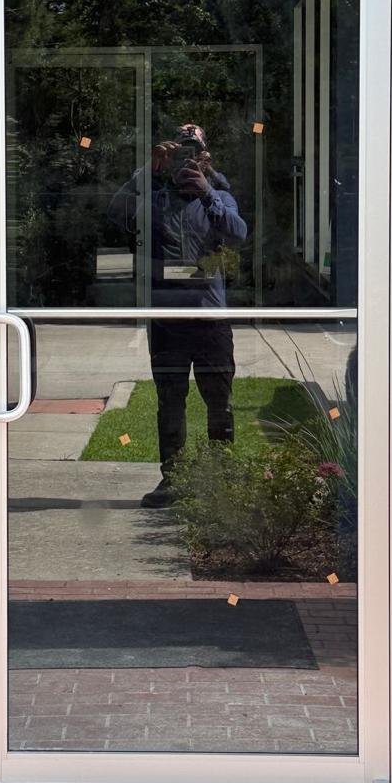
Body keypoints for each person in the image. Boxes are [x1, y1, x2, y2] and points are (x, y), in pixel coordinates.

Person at [108, 122, 248, 508]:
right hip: (168, 318)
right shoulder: (155, 198)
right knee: (170, 400)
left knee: (218, 400)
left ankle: (221, 480)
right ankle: (174, 480)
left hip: (209, 317)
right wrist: (148, 170)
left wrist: (208, 192)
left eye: (193, 151)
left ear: (204, 156)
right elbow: (114, 215)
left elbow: (238, 234)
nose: (186, 158)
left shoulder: (218, 196)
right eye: (179, 151)